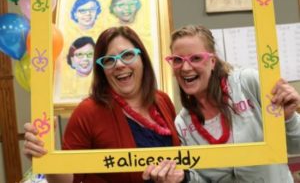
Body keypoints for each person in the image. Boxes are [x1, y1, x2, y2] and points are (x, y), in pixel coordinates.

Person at [23, 26, 186, 183]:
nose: (120, 64)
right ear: (102, 70)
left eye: (128, 55)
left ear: (142, 59)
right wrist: (45, 158)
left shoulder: (162, 100)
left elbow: (178, 160)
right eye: (109, 60)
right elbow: (70, 179)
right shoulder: (87, 112)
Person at [143, 24, 300, 182]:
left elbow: (297, 146)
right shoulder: (182, 124)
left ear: (212, 61)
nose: (185, 67)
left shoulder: (248, 84)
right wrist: (183, 177)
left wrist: (289, 118)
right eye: (177, 60)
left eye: (196, 58)